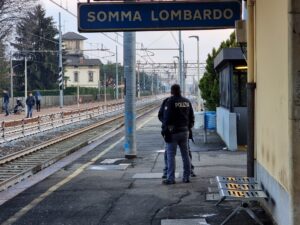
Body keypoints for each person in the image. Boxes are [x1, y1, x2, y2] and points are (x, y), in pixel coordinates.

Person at [162, 84, 195, 185]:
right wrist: (188, 128)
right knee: (185, 155)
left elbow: (166, 119)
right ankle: (186, 177)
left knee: (171, 155)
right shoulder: (187, 101)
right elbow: (192, 117)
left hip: (173, 133)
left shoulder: (170, 102)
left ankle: (171, 179)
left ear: (172, 91)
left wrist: (164, 130)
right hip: (185, 131)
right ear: (180, 91)